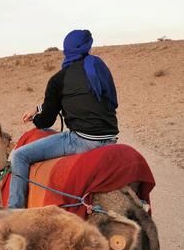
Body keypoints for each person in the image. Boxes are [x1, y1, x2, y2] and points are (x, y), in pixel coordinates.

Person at [8, 29, 119, 209]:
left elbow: (46, 121)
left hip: (82, 141)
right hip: (111, 138)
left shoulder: (59, 79)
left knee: (20, 156)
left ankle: (12, 213)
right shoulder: (99, 68)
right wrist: (38, 108)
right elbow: (105, 101)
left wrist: (36, 119)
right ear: (87, 47)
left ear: (66, 50)